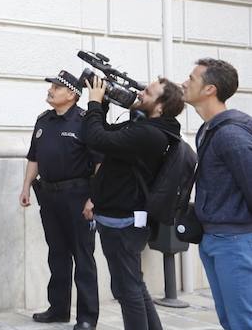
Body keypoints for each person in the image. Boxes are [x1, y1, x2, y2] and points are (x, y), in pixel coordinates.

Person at [81, 76, 184, 330]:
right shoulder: (147, 128)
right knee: (133, 285)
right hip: (122, 219)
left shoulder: (150, 134)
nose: (139, 94)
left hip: (123, 223)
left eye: (147, 92)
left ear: (160, 106)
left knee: (127, 291)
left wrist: (93, 102)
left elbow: (95, 138)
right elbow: (104, 134)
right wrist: (104, 103)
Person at [20, 71, 100, 330]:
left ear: (72, 94)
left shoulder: (86, 122)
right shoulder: (43, 120)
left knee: (83, 257)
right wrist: (25, 187)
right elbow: (34, 157)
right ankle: (58, 309)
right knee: (57, 254)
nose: (51, 90)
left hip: (78, 197)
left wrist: (93, 199)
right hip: (49, 194)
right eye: (51, 86)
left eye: (57, 87)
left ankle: (87, 317)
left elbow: (101, 165)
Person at [182, 58, 252, 329]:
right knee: (229, 319)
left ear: (210, 89)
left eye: (192, 78)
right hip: (214, 238)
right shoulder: (208, 129)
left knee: (242, 321)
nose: (185, 83)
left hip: (235, 241)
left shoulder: (231, 135)